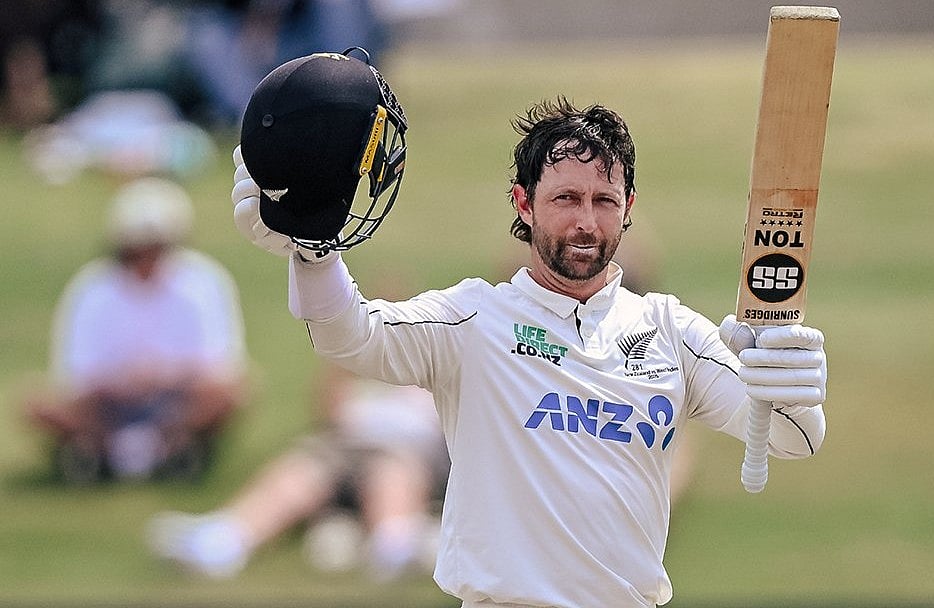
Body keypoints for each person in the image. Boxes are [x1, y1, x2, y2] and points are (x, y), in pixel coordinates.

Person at [230, 52, 827, 608]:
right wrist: (313, 252)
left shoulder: (671, 331)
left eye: (603, 200)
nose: (585, 221)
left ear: (629, 205)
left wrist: (794, 383)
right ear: (523, 203)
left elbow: (790, 438)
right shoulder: (473, 320)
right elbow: (348, 337)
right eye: (565, 198)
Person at [22, 177, 249, 483]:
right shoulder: (92, 288)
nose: (146, 258)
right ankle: (131, 450)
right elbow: (75, 375)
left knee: (230, 392)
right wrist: (122, 381)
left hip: (176, 401)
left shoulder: (203, 282)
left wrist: (160, 375)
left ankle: (137, 450)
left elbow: (220, 364)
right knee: (35, 402)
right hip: (109, 406)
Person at [146, 361, 449, 581]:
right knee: (300, 472)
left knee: (390, 473)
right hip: (343, 446)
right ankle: (222, 543)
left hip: (405, 450)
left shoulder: (437, 376)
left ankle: (393, 547)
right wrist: (348, 354)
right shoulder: (357, 382)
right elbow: (327, 413)